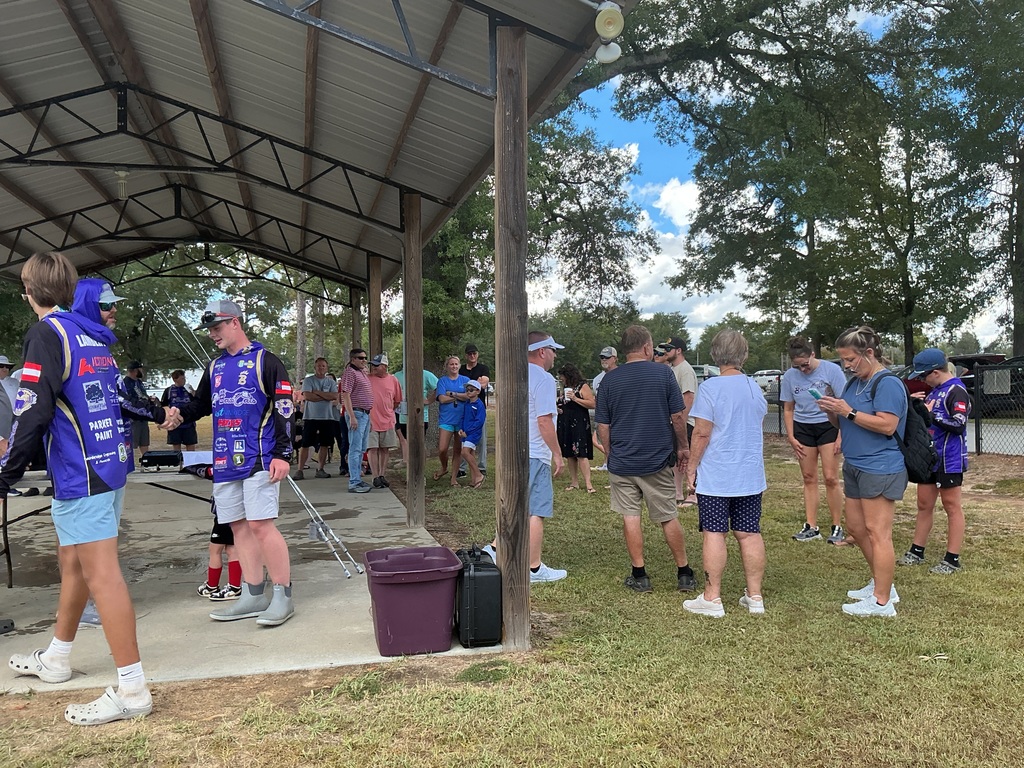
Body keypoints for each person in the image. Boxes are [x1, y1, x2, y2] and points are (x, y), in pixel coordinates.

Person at [3, 251, 171, 725]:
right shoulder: (88, 334)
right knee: (72, 563)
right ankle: (57, 657)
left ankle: (133, 690)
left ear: (30, 292)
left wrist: (7, 473)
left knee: (102, 575)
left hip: (82, 473)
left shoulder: (46, 333)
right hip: (108, 466)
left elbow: (31, 412)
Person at [170, 300, 297, 626]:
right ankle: (253, 594)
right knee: (238, 527)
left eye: (218, 328)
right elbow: (200, 405)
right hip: (225, 459)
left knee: (261, 526)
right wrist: (176, 414)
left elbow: (285, 407)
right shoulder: (214, 367)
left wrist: (284, 454)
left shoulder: (266, 360)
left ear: (236, 323)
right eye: (210, 330)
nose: (213, 334)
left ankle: (283, 595)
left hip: (259, 457)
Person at [595, 325, 697, 594]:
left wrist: (609, 452)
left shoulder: (609, 381)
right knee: (667, 515)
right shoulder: (663, 373)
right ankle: (684, 572)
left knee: (630, 516)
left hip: (622, 460)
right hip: (656, 458)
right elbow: (678, 416)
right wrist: (683, 447)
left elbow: (602, 424)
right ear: (647, 348)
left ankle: (639, 574)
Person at [817, 325, 907, 617]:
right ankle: (883, 585)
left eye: (851, 359)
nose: (847, 365)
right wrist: (833, 411)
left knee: (878, 532)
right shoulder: (854, 384)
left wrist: (848, 412)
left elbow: (887, 425)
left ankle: (882, 602)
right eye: (843, 360)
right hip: (855, 465)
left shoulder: (888, 383)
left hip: (881, 466)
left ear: (869, 353)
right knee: (856, 529)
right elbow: (844, 424)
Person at [684, 330, 769, 617]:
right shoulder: (754, 387)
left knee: (714, 533)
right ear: (744, 355)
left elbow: (702, 433)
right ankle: (754, 596)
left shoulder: (711, 388)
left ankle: (712, 597)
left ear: (714, 355)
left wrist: (692, 467)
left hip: (718, 474)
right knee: (749, 533)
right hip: (749, 473)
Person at [483, 332, 568, 583]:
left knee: (514, 504)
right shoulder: (544, 379)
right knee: (536, 510)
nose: (554, 355)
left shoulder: (513, 375)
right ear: (542, 351)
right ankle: (533, 568)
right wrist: (557, 453)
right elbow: (543, 420)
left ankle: (495, 549)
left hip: (513, 450)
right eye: (553, 350)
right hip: (535, 452)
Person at [899, 348, 971, 575]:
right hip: (929, 457)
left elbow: (958, 425)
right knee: (924, 504)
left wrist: (932, 415)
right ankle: (917, 550)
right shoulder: (934, 392)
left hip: (949, 459)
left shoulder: (956, 391)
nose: (922, 381)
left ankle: (952, 558)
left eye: (923, 376)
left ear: (936, 372)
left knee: (951, 506)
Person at [780, 336, 849, 544]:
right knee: (809, 477)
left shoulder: (831, 371)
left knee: (830, 477)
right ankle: (811, 526)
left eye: (805, 365)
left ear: (812, 355)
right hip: (803, 427)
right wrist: (791, 436)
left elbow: (844, 404)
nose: (803, 370)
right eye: (797, 367)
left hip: (829, 425)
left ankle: (837, 526)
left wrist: (841, 435)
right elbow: (788, 408)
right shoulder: (790, 377)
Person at [658, 336, 699, 506]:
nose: (665, 352)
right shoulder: (673, 369)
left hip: (685, 422)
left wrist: (681, 421)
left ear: (679, 350)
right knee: (676, 460)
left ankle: (693, 493)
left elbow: (688, 397)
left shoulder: (685, 370)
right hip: (675, 422)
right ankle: (678, 493)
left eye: (669, 349)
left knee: (689, 458)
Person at [294, 357, 338, 480]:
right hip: (310, 417)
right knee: (305, 443)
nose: (321, 368)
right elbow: (308, 396)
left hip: (327, 417)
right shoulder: (308, 380)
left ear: (327, 368)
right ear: (315, 367)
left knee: (325, 444)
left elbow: (334, 396)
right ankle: (300, 470)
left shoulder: (331, 382)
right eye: (319, 366)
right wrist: (325, 396)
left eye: (323, 366)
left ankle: (321, 469)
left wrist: (317, 392)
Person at [556, 363, 596, 493]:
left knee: (581, 454)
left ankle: (589, 484)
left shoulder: (582, 386)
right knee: (569, 455)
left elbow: (592, 403)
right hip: (566, 423)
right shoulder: (566, 388)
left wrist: (575, 398)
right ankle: (574, 482)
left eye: (562, 376)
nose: (561, 379)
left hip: (578, 423)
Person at [339, 348, 374, 493]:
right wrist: (352, 415)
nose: (364, 360)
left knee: (361, 449)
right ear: (353, 359)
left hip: (365, 414)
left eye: (365, 358)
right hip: (357, 413)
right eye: (360, 358)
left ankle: (358, 479)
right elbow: (345, 394)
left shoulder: (361, 372)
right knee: (355, 448)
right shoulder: (350, 372)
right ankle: (354, 482)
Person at [367, 353, 402, 488]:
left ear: (385, 366)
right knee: (372, 448)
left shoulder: (393, 380)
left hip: (387, 420)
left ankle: (382, 474)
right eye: (373, 366)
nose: (374, 368)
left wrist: (387, 410)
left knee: (385, 449)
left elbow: (397, 400)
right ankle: (375, 476)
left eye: (377, 365)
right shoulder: (368, 378)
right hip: (371, 420)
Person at [434, 355, 469, 482]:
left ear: (459, 366)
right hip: (446, 420)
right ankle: (444, 467)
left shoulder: (465, 380)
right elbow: (442, 399)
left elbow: (469, 395)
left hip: (461, 419)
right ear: (447, 366)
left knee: (457, 449)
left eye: (456, 364)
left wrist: (453, 394)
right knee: (442, 448)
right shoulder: (442, 381)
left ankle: (454, 478)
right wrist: (459, 397)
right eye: (451, 364)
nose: (454, 366)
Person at [394, 364, 438, 465]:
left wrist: (429, 400)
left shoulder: (425, 374)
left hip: (421, 416)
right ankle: (411, 471)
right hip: (403, 417)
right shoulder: (397, 376)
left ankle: (420, 471)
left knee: (420, 444)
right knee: (408, 443)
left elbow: (439, 386)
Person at [459, 343, 491, 476]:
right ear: (466, 355)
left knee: (481, 438)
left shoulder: (483, 368)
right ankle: (462, 468)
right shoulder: (461, 369)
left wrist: (470, 387)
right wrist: (475, 384)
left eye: (474, 353)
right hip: (464, 406)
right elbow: (462, 387)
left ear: (477, 354)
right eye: (470, 354)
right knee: (463, 438)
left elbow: (483, 384)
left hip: (479, 406)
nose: (472, 356)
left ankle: (482, 466)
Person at [590, 346, 617, 469]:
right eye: (602, 357)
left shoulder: (621, 374)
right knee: (605, 441)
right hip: (604, 417)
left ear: (615, 358)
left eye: (607, 357)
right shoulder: (597, 379)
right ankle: (607, 463)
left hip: (618, 417)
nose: (604, 360)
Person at [458, 379, 487, 488]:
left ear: (478, 391)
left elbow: (479, 421)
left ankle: (479, 474)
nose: (468, 392)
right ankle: (474, 480)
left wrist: (468, 431)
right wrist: (461, 428)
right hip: (465, 433)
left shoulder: (479, 405)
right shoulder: (466, 404)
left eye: (471, 390)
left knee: (465, 453)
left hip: (473, 434)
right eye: (467, 390)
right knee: (470, 455)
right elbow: (463, 417)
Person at [161, 370, 198, 452]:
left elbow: (196, 403)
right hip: (174, 422)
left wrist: (194, 393)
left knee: (190, 444)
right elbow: (164, 405)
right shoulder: (169, 390)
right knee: (176, 445)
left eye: (184, 378)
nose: (184, 380)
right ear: (175, 379)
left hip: (189, 422)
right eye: (181, 378)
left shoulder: (188, 390)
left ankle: (191, 463)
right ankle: (179, 463)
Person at [123, 361, 152, 465]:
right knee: (131, 442)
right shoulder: (125, 383)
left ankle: (146, 462)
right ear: (135, 370)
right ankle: (127, 464)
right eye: (140, 369)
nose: (142, 371)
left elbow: (143, 395)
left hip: (143, 415)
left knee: (144, 442)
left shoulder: (139, 382)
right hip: (133, 417)